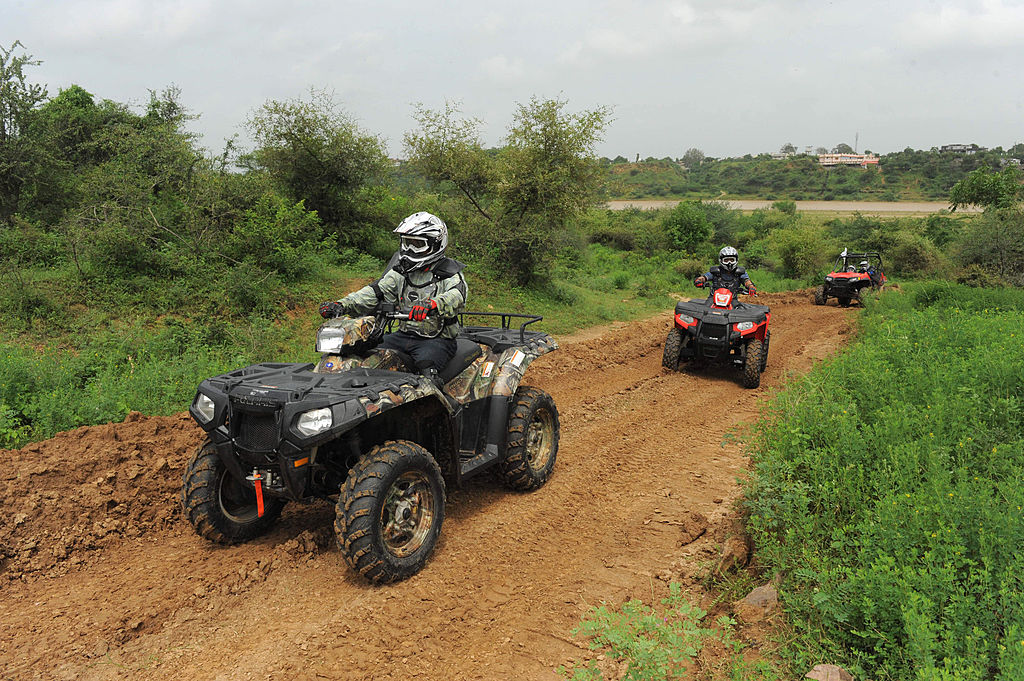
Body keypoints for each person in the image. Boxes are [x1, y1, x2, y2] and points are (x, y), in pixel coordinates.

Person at [319, 212, 468, 388]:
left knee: (427, 369)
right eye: (408, 242)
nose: (410, 249)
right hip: (403, 335)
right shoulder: (401, 272)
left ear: (436, 244)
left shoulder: (449, 273)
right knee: (365, 354)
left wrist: (433, 304)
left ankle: (440, 408)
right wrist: (342, 304)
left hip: (437, 340)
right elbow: (375, 291)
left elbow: (457, 295)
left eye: (418, 244)